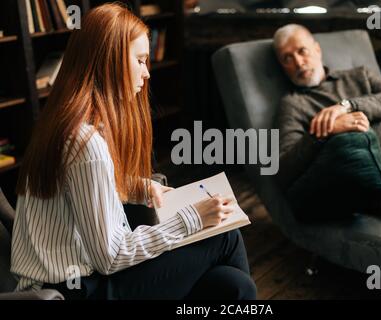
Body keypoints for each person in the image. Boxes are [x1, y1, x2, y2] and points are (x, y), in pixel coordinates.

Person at [10, 3, 256, 300]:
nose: (147, 73)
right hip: (80, 290)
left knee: (233, 285)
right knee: (225, 235)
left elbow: (79, 195)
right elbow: (111, 257)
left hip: (79, 280)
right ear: (109, 61)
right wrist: (192, 218)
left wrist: (136, 187)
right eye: (140, 60)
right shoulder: (86, 143)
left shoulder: (67, 124)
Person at [274, 24, 381, 218]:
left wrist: (348, 105)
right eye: (287, 58)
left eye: (302, 51)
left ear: (317, 49)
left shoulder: (359, 75)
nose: (298, 62)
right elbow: (284, 170)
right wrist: (325, 131)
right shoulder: (293, 105)